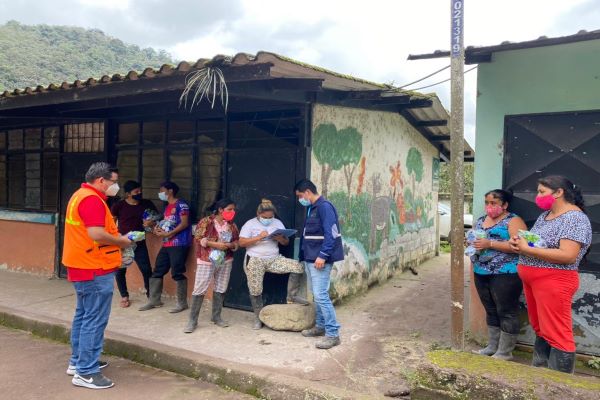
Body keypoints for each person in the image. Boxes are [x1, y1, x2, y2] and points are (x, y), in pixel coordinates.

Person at [510, 176, 592, 374]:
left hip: (555, 279)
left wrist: (527, 250)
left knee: (557, 332)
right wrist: (520, 243)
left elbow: (568, 255)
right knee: (541, 328)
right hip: (534, 279)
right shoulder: (545, 215)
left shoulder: (575, 218)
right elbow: (539, 244)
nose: (537, 196)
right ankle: (540, 375)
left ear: (558, 192)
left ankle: (559, 385)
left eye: (541, 192)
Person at [62, 162, 132, 389]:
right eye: (114, 182)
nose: (116, 186)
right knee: (94, 318)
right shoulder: (92, 200)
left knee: (83, 315)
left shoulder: (79, 195)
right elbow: (96, 233)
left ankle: (78, 362)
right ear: (101, 180)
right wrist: (122, 241)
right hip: (93, 266)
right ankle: (86, 372)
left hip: (82, 264)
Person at [470, 189, 527, 360]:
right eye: (487, 202)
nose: (489, 206)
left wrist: (490, 243)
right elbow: (475, 239)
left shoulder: (514, 221)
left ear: (505, 205)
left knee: (506, 311)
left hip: (506, 272)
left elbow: (520, 246)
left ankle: (505, 352)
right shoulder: (481, 220)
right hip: (481, 271)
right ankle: (492, 346)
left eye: (493, 203)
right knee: (491, 310)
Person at [238, 199, 308, 330]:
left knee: (298, 267)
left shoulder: (277, 223)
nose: (268, 219)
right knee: (255, 289)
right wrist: (258, 237)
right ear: (258, 214)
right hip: (255, 259)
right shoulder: (250, 224)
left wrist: (280, 238)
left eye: (271, 217)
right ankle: (258, 318)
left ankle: (291, 296)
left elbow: (286, 243)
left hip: (274, 259)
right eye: (265, 217)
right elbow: (241, 243)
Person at [295, 179, 344, 349]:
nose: (300, 199)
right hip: (310, 258)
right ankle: (320, 326)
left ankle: (333, 334)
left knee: (321, 295)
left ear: (307, 192)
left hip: (319, 260)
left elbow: (332, 234)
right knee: (316, 294)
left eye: (300, 196)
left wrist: (323, 255)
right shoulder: (311, 208)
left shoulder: (324, 207)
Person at [184, 198, 240, 333]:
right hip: (206, 260)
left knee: (221, 287)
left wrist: (231, 245)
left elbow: (237, 242)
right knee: (200, 288)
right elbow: (198, 238)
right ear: (221, 210)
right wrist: (216, 245)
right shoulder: (206, 221)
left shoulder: (232, 225)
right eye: (229, 209)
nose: (233, 212)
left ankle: (216, 316)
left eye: (233, 209)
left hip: (225, 260)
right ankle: (192, 320)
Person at [139, 181, 192, 313]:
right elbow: (167, 223)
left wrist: (169, 233)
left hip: (179, 243)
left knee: (177, 272)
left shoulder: (182, 204)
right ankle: (154, 300)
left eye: (162, 190)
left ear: (170, 191)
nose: (160, 193)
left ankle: (182, 303)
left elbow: (184, 224)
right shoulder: (168, 207)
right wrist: (158, 229)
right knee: (158, 269)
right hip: (167, 243)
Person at [110, 180, 158, 307]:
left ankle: (151, 295)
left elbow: (157, 217)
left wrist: (151, 223)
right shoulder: (118, 206)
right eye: (136, 192)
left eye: (140, 191)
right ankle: (124, 296)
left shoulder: (146, 204)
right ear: (127, 194)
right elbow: (110, 223)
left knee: (146, 269)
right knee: (120, 270)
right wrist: (116, 237)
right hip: (123, 242)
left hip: (139, 242)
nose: (139, 193)